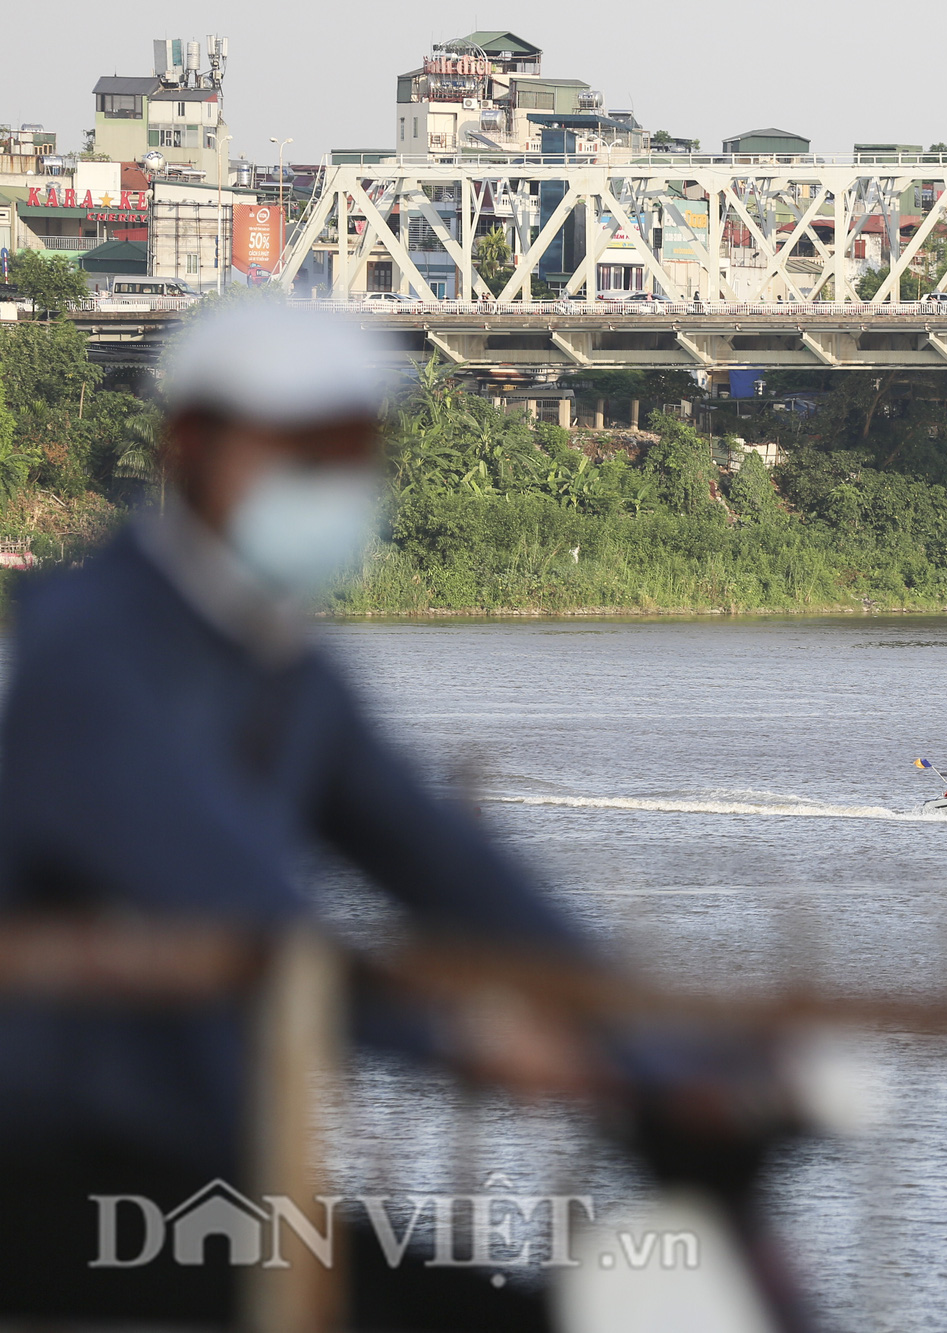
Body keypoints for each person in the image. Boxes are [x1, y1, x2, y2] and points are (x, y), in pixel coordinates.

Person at [0, 303, 796, 1330]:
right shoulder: (95, 655)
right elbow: (243, 906)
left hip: (209, 1162)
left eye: (353, 451)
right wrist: (465, 1036)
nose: (332, 482)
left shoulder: (275, 662)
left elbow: (448, 866)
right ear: (188, 448)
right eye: (301, 450)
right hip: (64, 1172)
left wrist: (646, 1039)